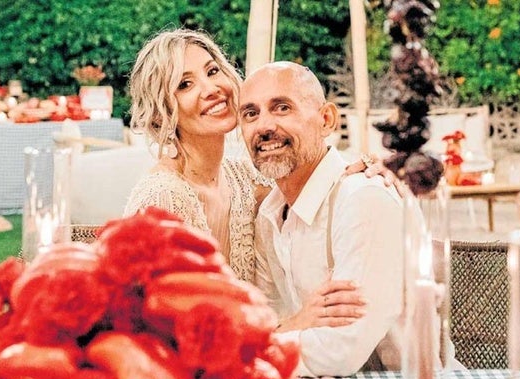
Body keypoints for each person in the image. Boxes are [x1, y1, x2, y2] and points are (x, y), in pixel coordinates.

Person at [123, 29, 390, 286]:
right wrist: (298, 321)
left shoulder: (246, 180)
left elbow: (311, 176)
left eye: (212, 71)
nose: (211, 88)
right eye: (185, 84)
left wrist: (373, 168)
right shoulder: (161, 200)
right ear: (160, 112)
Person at [239, 61, 406, 377]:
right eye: (250, 114)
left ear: (326, 119)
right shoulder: (269, 215)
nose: (263, 125)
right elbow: (267, 318)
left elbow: (339, 351)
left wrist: (246, 351)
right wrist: (292, 324)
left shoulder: (362, 198)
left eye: (282, 107)